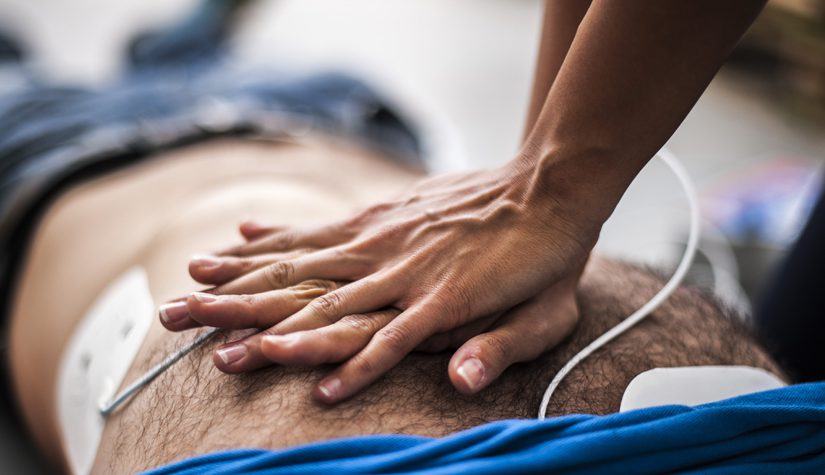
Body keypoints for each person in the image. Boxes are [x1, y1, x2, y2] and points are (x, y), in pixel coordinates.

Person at [163, 1, 788, 406]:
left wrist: (547, 193)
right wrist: (543, 188)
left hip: (99, 145)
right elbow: (546, 186)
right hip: (341, 119)